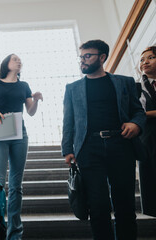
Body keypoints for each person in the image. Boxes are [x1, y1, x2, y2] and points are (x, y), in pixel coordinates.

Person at [62, 39, 146, 240]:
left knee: (125, 204)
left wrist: (136, 124)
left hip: (121, 145)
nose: (82, 60)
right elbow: (69, 120)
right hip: (89, 148)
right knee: (98, 206)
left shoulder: (124, 82)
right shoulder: (73, 88)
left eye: (87, 56)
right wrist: (67, 149)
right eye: (81, 57)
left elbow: (138, 111)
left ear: (102, 57)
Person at [0, 54, 43, 240]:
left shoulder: (24, 86)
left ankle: (15, 233)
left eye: (19, 60)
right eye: (14, 58)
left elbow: (30, 112)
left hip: (19, 135)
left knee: (16, 186)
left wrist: (37, 100)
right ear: (6, 64)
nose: (18, 61)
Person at [138, 45, 156, 217]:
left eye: (150, 57)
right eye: (142, 59)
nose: (145, 62)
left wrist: (148, 114)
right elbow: (136, 114)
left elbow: (143, 113)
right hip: (148, 140)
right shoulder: (136, 87)